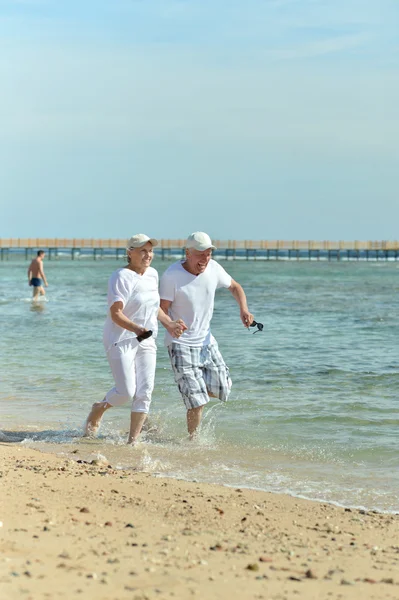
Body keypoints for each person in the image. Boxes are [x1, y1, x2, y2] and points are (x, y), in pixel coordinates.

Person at [84, 234, 187, 444]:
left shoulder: (153, 274)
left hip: (147, 339)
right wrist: (136, 329)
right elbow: (116, 313)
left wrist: (169, 323)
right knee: (126, 392)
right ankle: (99, 408)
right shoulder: (120, 276)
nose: (147, 255)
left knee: (145, 391)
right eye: (142, 250)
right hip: (121, 338)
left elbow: (152, 305)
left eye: (150, 251)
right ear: (129, 253)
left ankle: (132, 442)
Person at [160, 231, 254, 437]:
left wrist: (244, 309)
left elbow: (235, 287)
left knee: (223, 389)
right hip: (181, 344)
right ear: (187, 252)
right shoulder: (171, 275)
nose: (205, 259)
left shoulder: (214, 268)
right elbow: (160, 308)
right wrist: (170, 324)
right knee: (198, 402)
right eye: (200, 253)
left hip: (207, 343)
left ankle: (192, 393)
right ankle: (193, 441)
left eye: (208, 253)